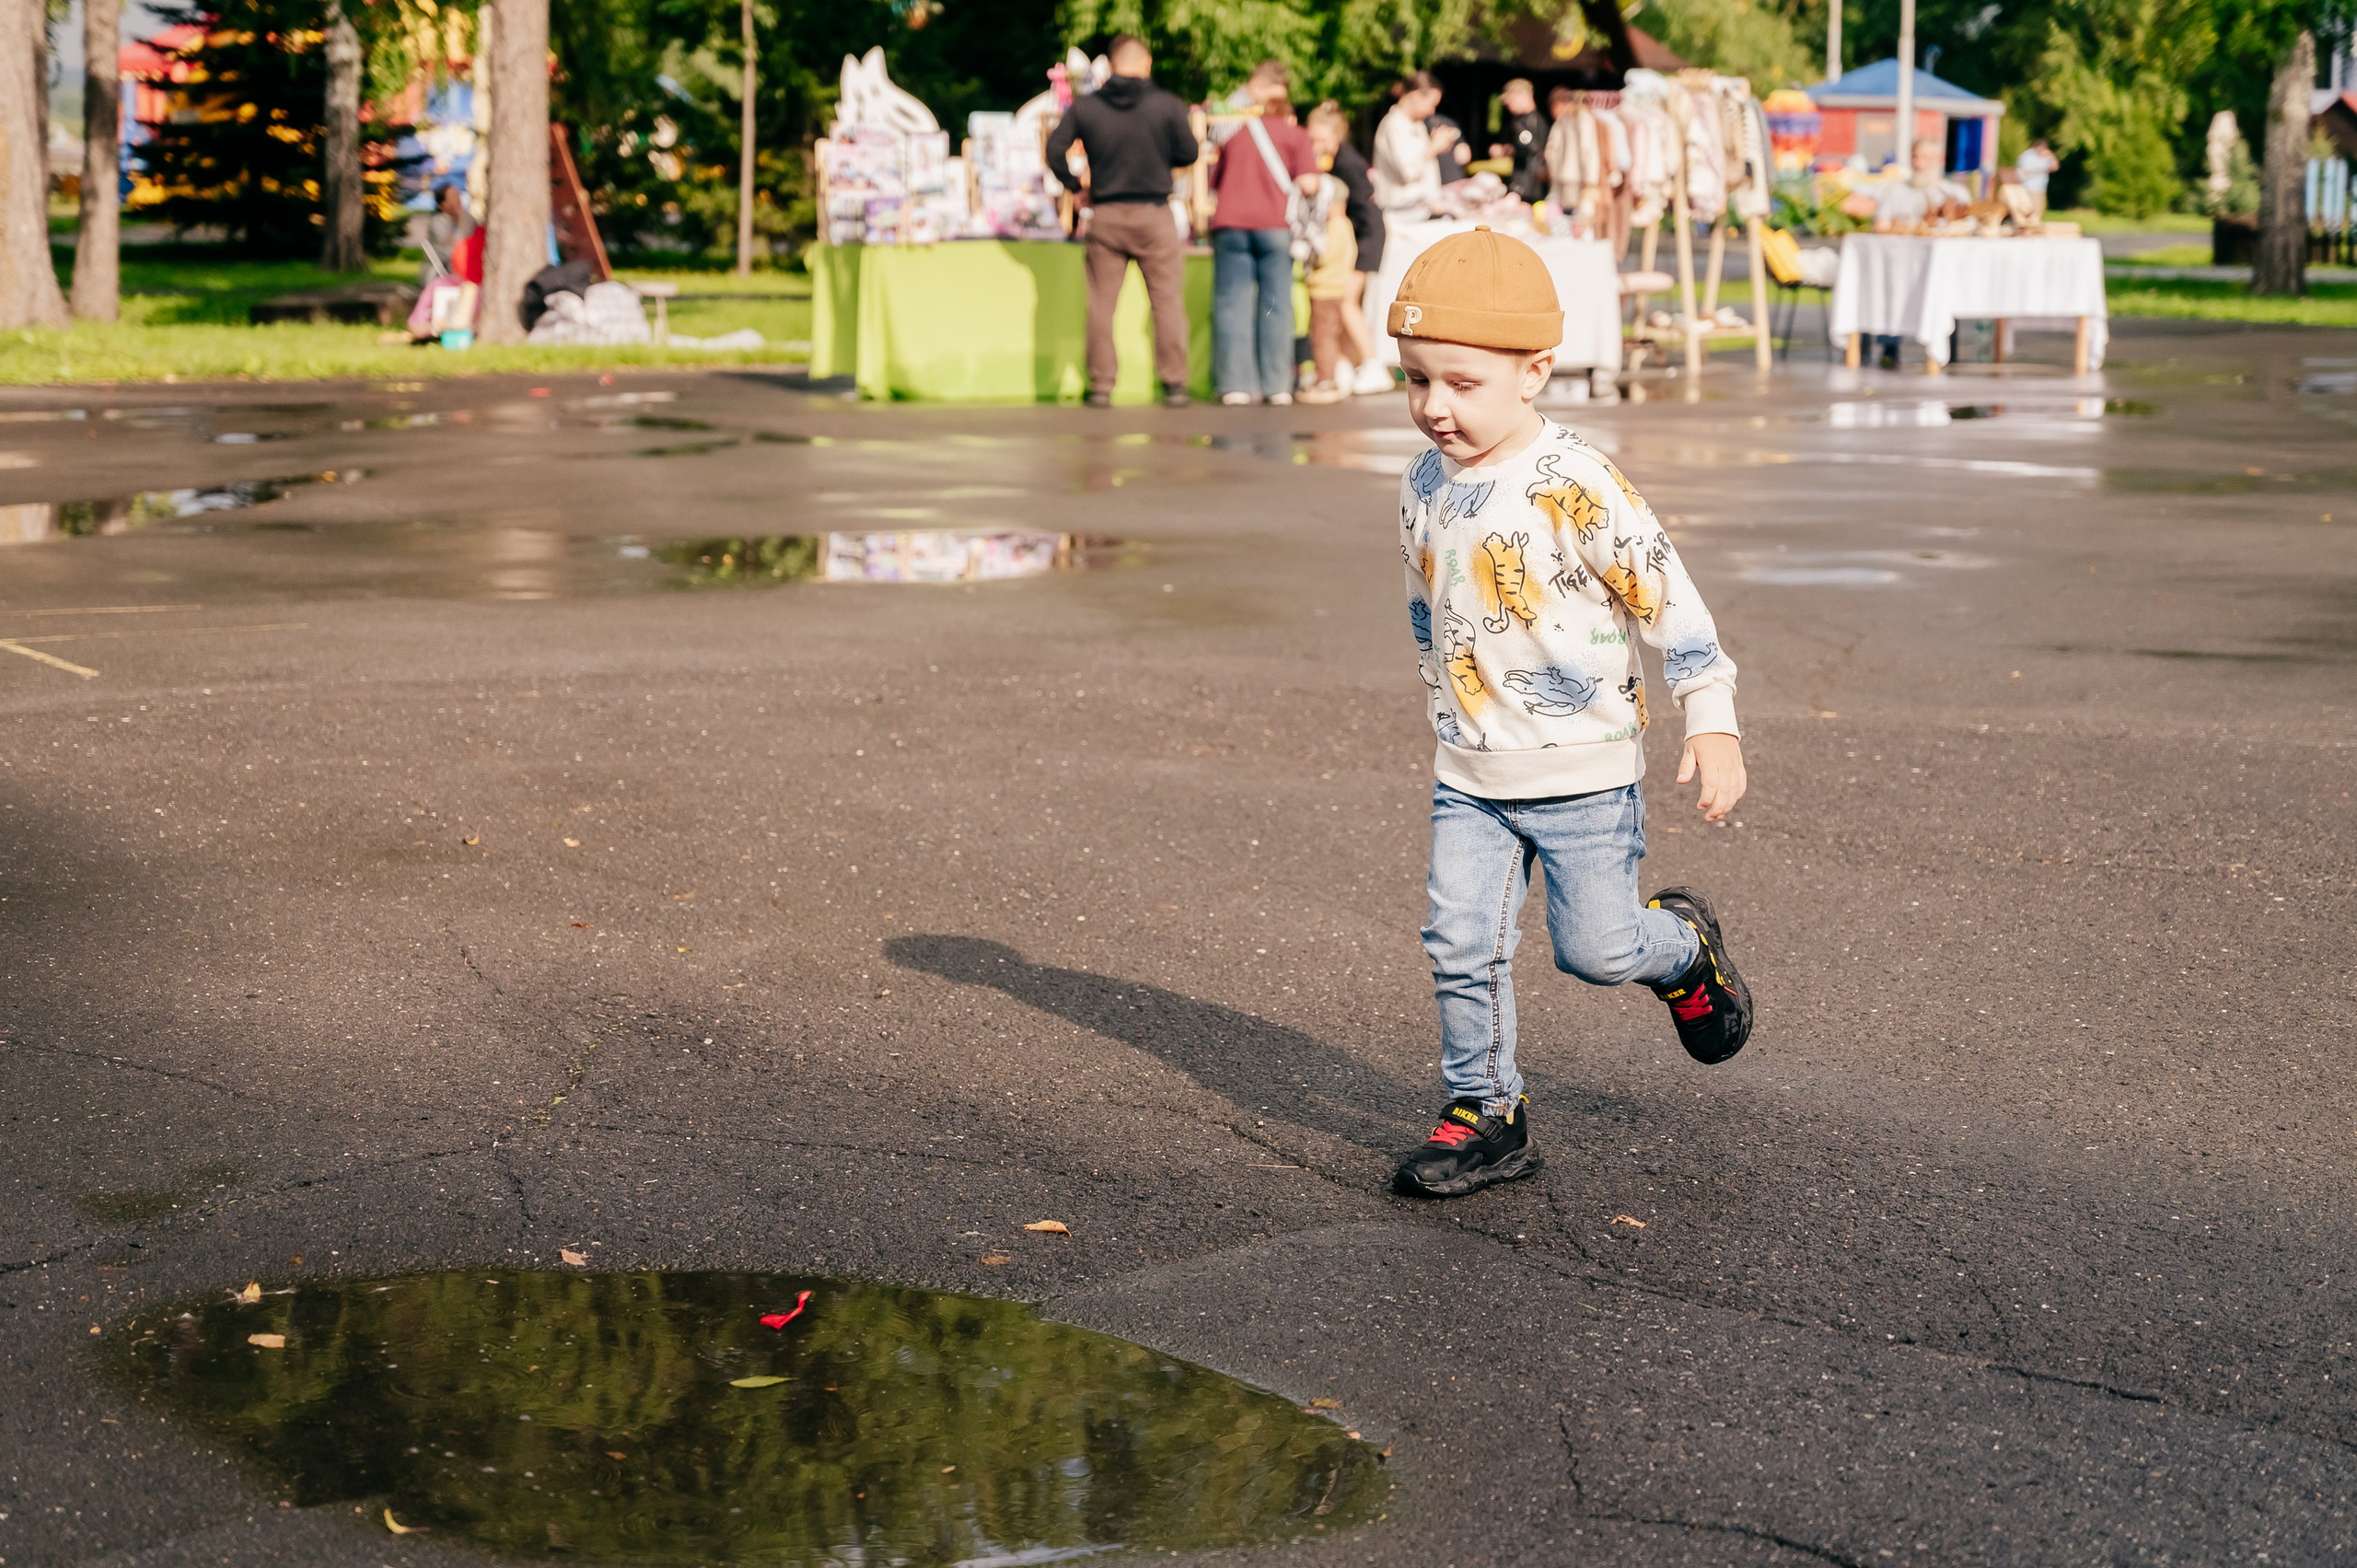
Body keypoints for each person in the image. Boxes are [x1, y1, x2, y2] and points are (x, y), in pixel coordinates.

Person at [1384, 226, 1752, 1197]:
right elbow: (1434, 614)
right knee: (1460, 942)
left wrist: (1707, 713)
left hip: (1583, 773)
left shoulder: (1575, 483)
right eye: (1415, 379)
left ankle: (1681, 951)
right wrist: (1451, 715)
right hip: (1469, 772)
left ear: (1535, 370)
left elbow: (1664, 595)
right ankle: (1485, 1110)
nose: (1433, 407)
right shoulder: (1422, 482)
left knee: (1596, 951)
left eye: (1461, 383)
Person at [1046, 35, 1200, 410]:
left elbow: (1053, 149)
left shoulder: (1087, 107)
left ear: (1111, 65)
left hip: (1107, 216)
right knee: (1166, 303)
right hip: (1154, 216)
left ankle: (1101, 386)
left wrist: (1075, 187)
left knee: (1101, 305)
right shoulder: (1168, 105)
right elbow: (1190, 153)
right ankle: (1174, 384)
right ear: (1146, 63)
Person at [1208, 64, 1318, 405]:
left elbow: (1213, 179)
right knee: (1276, 305)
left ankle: (1235, 386)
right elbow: (1311, 183)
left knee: (1232, 304)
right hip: (1276, 228)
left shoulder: (1234, 131)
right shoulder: (1295, 135)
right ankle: (1277, 386)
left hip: (1231, 225)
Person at [1840, 136, 1972, 366]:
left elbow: (1968, 227)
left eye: (1926, 158)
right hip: (1900, 266)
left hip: (1939, 268)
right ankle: (1889, 346)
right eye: (1915, 157)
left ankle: (1942, 348)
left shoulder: (1955, 194)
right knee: (1892, 283)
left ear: (1938, 160)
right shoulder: (1894, 191)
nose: (1919, 164)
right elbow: (1881, 226)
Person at [1299, 101, 1383, 401]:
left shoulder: (1347, 163)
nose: (1316, 144)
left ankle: (1373, 365)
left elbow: (1362, 205)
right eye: (1312, 138)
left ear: (1337, 135)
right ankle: (1345, 365)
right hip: (1357, 236)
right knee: (1345, 303)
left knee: (1346, 301)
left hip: (1364, 236)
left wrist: (1346, 243)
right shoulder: (1329, 161)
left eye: (1322, 138)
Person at [1373, 72, 1446, 223]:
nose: (1432, 111)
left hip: (1421, 211)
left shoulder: (1416, 125)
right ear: (1416, 96)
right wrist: (1433, 148)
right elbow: (1408, 172)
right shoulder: (1394, 125)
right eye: (1432, 104)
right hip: (1403, 214)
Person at [1490, 77, 1548, 202]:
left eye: (1510, 99)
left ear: (1523, 95)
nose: (1508, 104)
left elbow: (1533, 151)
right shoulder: (1523, 121)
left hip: (1529, 191)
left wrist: (1504, 151)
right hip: (1525, 187)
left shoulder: (1531, 122)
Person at [420, 179, 475, 285]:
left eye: (458, 196)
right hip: (440, 272)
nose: (458, 201)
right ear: (443, 204)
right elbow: (453, 250)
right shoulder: (437, 222)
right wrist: (461, 223)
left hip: (466, 269)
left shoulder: (468, 218)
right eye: (453, 198)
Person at [2016, 138, 2059, 218]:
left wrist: (2051, 155)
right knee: (2029, 209)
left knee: (2039, 209)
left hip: (2041, 187)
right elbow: (2025, 171)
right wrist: (2042, 169)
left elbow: (2055, 167)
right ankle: (2028, 225)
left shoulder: (2046, 156)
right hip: (2029, 187)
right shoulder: (2028, 156)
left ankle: (2035, 225)